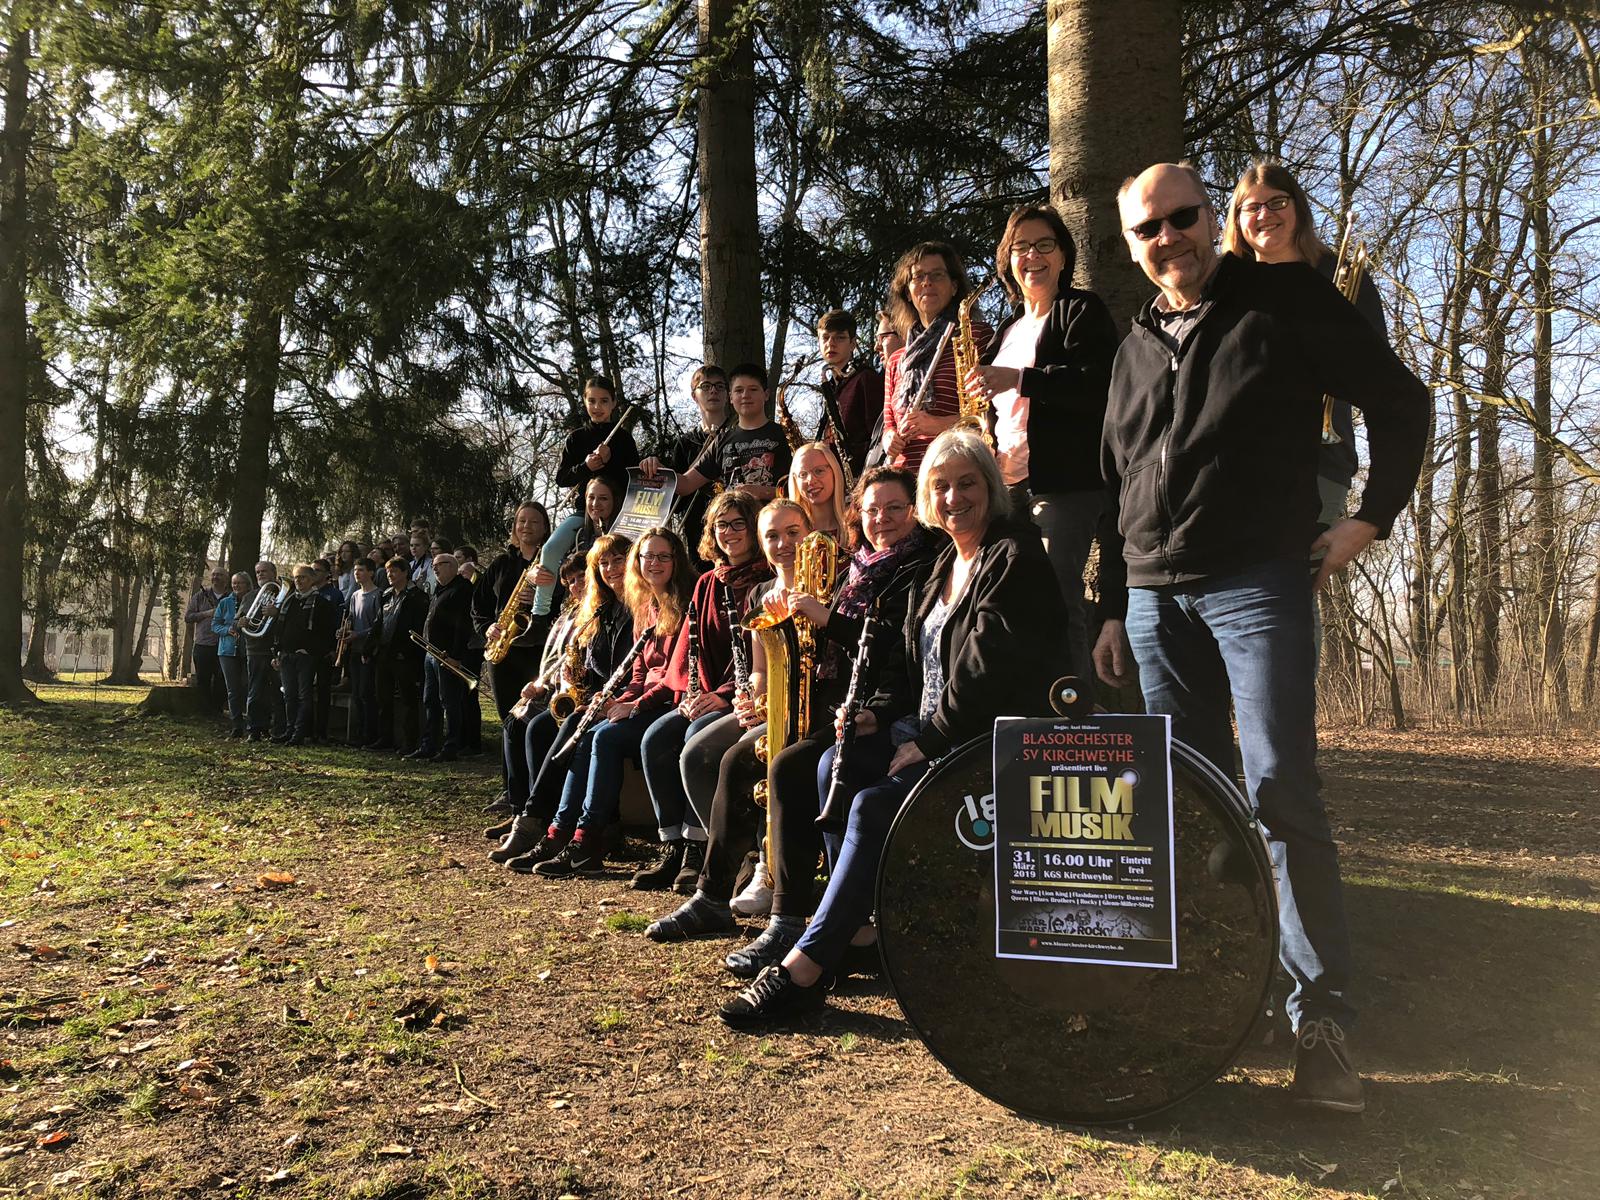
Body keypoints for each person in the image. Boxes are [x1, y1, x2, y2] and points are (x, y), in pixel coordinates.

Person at [1090, 162, 1429, 1113]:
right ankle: (1226, 998)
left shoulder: (1284, 301)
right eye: (1148, 228)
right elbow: (1119, 486)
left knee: (1278, 789)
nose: (1169, 237)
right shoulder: (1133, 346)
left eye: (1183, 217)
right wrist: (1114, 602)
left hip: (1255, 586)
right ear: (1132, 245)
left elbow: (1400, 402)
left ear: (1213, 219)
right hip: (1153, 605)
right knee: (1194, 807)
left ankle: (1321, 1024)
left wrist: (1371, 518)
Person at [721, 428, 1070, 1025]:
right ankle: (858, 929)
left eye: (967, 483)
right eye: (942, 486)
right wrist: (877, 714)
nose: (954, 498)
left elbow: (986, 670)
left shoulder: (1013, 556)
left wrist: (927, 741)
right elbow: (907, 661)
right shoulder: (943, 565)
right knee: (832, 765)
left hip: (988, 742)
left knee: (872, 804)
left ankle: (805, 968)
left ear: (990, 486)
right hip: (933, 729)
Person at [644, 497, 813, 941]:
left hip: (811, 709)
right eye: (772, 535)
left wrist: (724, 697)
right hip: (759, 704)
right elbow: (755, 669)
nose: (782, 544)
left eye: (793, 533)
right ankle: (724, 869)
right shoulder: (755, 592)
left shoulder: (825, 581)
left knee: (729, 754)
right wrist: (746, 695)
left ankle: (755, 864)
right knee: (692, 751)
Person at [962, 204, 1119, 682]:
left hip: (1063, 482)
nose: (1032, 255)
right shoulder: (1008, 329)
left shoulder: (1081, 310)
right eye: (1021, 247)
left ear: (1063, 256)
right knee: (1010, 601)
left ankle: (1074, 710)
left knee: (1058, 598)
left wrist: (1020, 379)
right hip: (1006, 484)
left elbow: (1098, 385)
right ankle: (1028, 704)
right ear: (1007, 259)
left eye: (1044, 245)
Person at [1222, 160, 1390, 573]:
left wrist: (1376, 509)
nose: (1265, 214)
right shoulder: (1227, 285)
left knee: (1291, 584)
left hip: (1318, 460)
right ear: (1237, 219)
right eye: (1251, 207)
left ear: (1298, 208)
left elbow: (1381, 383)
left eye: (1277, 202)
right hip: (1234, 465)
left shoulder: (1336, 273)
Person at [632, 490, 772, 893]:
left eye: (739, 523)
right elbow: (690, 652)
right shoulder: (708, 582)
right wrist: (691, 694)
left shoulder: (765, 580)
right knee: (656, 738)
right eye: (721, 525)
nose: (729, 533)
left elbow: (755, 659)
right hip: (706, 694)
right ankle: (676, 846)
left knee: (696, 737)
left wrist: (723, 695)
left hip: (741, 696)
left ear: (754, 528)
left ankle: (705, 849)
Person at [533, 529, 695, 878]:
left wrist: (634, 706)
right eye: (647, 557)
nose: (653, 564)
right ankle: (562, 831)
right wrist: (615, 701)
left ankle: (588, 838)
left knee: (605, 737)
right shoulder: (646, 607)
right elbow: (639, 673)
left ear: (676, 561)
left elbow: (674, 677)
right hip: (646, 702)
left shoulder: (684, 604)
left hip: (670, 703)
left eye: (663, 557)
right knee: (589, 730)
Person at [484, 549, 591, 853]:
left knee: (537, 728)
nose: (576, 585)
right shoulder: (568, 614)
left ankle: (539, 815)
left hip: (582, 694)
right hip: (555, 690)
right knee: (514, 722)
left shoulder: (596, 611)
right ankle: (521, 809)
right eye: (570, 581)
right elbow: (554, 658)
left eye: (581, 577)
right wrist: (540, 684)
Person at [880, 242, 992, 477]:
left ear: (954, 286)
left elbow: (993, 414)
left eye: (937, 275)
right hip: (906, 478)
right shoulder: (897, 359)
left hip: (956, 471)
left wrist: (939, 425)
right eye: (918, 276)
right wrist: (889, 438)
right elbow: (889, 422)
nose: (927, 282)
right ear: (907, 292)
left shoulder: (975, 336)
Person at [642, 364, 791, 506]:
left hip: (775, 521)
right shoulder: (721, 441)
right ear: (731, 397)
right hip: (733, 523)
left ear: (766, 395)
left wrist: (763, 492)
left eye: (753, 389)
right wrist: (657, 469)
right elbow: (686, 484)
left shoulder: (785, 435)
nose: (745, 395)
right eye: (739, 390)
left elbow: (800, 488)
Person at [472, 501, 553, 723]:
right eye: (522, 521)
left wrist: (540, 599)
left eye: (534, 521)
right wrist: (487, 627)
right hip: (503, 648)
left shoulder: (552, 561)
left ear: (545, 528)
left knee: (533, 715)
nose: (527, 526)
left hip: (537, 649)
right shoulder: (501, 563)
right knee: (508, 717)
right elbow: (479, 604)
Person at [642, 365, 729, 559]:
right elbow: (677, 503)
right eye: (705, 386)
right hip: (696, 531)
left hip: (733, 526)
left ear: (727, 394)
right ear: (694, 396)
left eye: (719, 386)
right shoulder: (685, 443)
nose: (713, 391)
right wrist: (657, 471)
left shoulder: (737, 435)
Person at [409, 552, 475, 762]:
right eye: (433, 565)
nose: (434, 568)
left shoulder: (462, 589)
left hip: (447, 656)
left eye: (439, 564)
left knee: (449, 701)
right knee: (430, 700)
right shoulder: (440, 590)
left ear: (452, 567)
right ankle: (429, 745)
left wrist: (456, 655)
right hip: (431, 653)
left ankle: (451, 746)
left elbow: (462, 625)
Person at [533, 474, 623, 620]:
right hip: (580, 612)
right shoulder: (577, 536)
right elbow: (560, 584)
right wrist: (535, 577)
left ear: (615, 501)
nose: (595, 504)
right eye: (591, 497)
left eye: (603, 498)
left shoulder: (622, 537)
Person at [271, 563, 338, 746]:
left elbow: (326, 632)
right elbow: (280, 628)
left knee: (303, 696)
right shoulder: (289, 601)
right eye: (296, 578)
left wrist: (310, 650)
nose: (299, 581)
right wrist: (277, 651)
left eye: (303, 577)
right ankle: (289, 730)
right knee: (289, 695)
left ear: (312, 579)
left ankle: (299, 733)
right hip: (286, 655)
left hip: (306, 657)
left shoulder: (322, 603)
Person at [369, 555, 429, 755]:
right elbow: (379, 622)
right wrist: (370, 647)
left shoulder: (417, 596)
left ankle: (409, 742)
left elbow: (418, 627)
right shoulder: (386, 595)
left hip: (404, 656)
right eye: (388, 572)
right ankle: (384, 738)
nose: (390, 575)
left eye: (394, 571)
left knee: (407, 700)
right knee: (383, 698)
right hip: (384, 653)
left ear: (405, 573)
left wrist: (407, 652)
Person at [815, 310, 885, 478]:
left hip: (860, 478)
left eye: (839, 337)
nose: (831, 344)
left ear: (853, 343)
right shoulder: (831, 386)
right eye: (825, 337)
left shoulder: (866, 378)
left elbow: (878, 439)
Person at [243, 560, 286, 743]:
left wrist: (277, 613)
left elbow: (291, 620)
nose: (260, 574)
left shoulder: (284, 595)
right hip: (255, 649)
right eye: (258, 572)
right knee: (255, 691)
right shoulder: (250, 596)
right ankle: (254, 729)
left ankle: (277, 730)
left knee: (277, 692)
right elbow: (239, 620)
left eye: (264, 571)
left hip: (276, 649)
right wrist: (240, 623)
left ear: (274, 573)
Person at [345, 557, 383, 748]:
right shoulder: (354, 595)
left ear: (371, 573)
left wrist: (358, 634)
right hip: (354, 650)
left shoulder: (378, 595)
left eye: (361, 570)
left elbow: (378, 626)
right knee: (357, 694)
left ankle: (370, 735)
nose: (357, 573)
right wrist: (344, 631)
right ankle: (359, 733)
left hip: (368, 651)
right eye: (355, 570)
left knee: (366, 694)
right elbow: (352, 618)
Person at [212, 571, 253, 738]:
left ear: (248, 585)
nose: (236, 586)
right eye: (234, 583)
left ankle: (252, 724)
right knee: (233, 690)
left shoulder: (253, 601)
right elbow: (215, 625)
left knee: (248, 687)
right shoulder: (225, 602)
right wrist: (228, 629)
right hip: (227, 651)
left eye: (240, 583)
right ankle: (236, 725)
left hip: (248, 649)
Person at [184, 568, 229, 711]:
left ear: (226, 578)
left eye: (219, 575)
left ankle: (217, 710)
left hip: (224, 644)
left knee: (222, 680)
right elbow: (188, 617)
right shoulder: (200, 596)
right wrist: (207, 613)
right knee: (203, 680)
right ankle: (205, 711)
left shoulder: (231, 597)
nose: (216, 577)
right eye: (214, 574)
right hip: (203, 644)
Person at [786, 442, 848, 543]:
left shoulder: (856, 522)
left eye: (819, 471)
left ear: (834, 472)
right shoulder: (789, 532)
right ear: (795, 480)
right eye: (803, 474)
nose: (811, 480)